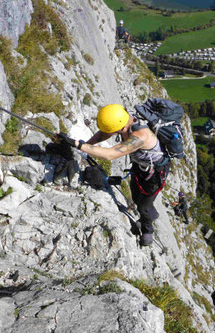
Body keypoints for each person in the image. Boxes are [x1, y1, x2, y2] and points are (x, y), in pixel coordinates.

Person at [59, 104, 170, 246]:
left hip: (155, 174)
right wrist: (86, 144)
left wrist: (77, 144)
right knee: (135, 196)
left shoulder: (142, 136)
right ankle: (146, 214)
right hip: (140, 167)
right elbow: (104, 133)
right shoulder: (122, 119)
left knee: (144, 206)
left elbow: (109, 154)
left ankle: (148, 228)